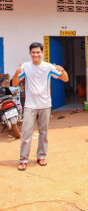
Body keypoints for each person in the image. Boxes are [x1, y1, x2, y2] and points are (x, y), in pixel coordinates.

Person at [12, 42, 69, 171]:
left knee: (44, 133)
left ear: (42, 53)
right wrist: (16, 73)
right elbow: (15, 82)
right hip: (30, 106)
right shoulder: (25, 67)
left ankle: (41, 156)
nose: (36, 54)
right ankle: (23, 160)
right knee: (26, 133)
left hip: (45, 105)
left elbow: (65, 79)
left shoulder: (48, 67)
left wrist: (62, 70)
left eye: (38, 52)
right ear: (30, 53)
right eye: (33, 52)